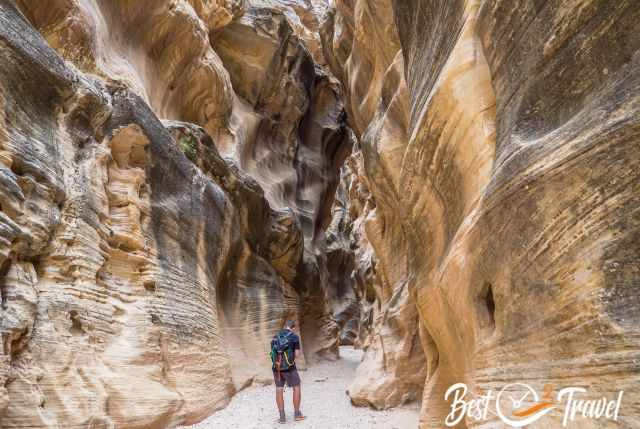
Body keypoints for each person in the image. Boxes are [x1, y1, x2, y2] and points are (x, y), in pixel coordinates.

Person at [270, 319, 305, 424]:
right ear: (293, 327)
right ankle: (297, 414)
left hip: (277, 368)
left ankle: (282, 417)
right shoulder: (294, 337)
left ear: (285, 326)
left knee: (279, 389)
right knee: (296, 387)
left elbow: (273, 353)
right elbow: (297, 354)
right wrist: (290, 361)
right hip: (290, 368)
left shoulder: (275, 337)